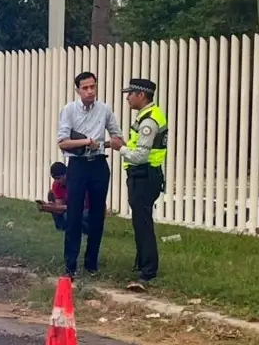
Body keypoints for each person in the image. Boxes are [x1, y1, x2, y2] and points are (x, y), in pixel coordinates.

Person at [56, 71, 123, 280]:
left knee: (97, 215)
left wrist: (111, 142)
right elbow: (62, 142)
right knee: (74, 214)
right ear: (78, 90)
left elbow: (117, 136)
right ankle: (70, 264)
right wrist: (85, 142)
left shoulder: (104, 109)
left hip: (98, 165)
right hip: (78, 164)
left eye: (92, 87)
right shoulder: (69, 110)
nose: (90, 91)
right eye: (85, 88)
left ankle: (91, 262)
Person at [118, 78, 168, 292]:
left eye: (131, 94)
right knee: (140, 221)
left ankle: (148, 270)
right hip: (146, 175)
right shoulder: (149, 115)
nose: (128, 98)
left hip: (144, 175)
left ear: (141, 95)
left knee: (143, 223)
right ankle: (142, 263)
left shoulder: (148, 121)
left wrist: (119, 148)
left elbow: (139, 155)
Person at [37, 162, 90, 233]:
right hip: (73, 208)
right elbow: (60, 208)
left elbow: (77, 207)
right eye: (54, 178)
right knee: (51, 194)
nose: (56, 181)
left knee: (68, 215)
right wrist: (49, 207)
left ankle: (85, 228)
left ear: (66, 174)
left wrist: (54, 208)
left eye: (58, 178)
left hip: (88, 209)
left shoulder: (77, 181)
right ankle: (61, 226)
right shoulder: (57, 185)